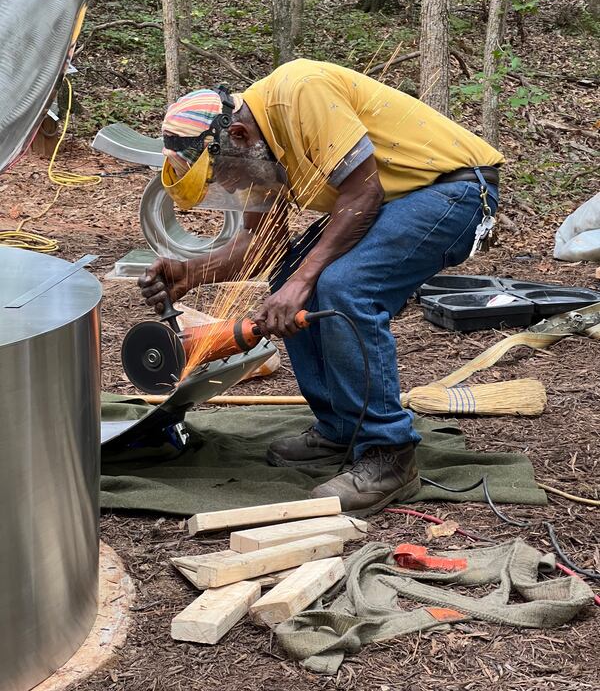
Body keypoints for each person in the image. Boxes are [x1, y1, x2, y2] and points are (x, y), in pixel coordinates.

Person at [139, 59, 503, 515]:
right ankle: (341, 428)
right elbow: (262, 243)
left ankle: (389, 454)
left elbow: (363, 194)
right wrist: (189, 272)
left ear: (238, 138)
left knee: (344, 287)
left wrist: (304, 281)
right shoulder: (252, 145)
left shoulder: (299, 91)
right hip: (393, 199)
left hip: (455, 190)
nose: (230, 188)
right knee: (289, 273)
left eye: (225, 179)